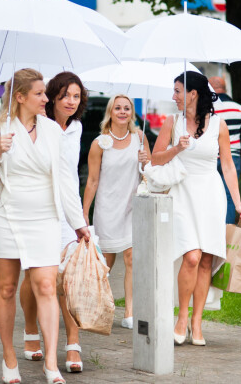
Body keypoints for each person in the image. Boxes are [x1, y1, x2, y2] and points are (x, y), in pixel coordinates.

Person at [0, 68, 90, 384]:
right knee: (6, 288)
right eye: (39, 94)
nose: (46, 99)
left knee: (47, 286)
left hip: (46, 216)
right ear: (19, 97)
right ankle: (9, 357)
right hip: (6, 215)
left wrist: (78, 223)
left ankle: (51, 363)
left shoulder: (52, 130)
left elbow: (64, 180)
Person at [152, 71, 241, 346]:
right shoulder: (172, 122)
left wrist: (238, 202)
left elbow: (228, 166)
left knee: (206, 259)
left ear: (193, 93)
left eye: (178, 91)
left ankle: (197, 322)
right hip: (182, 192)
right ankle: (181, 317)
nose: (174, 97)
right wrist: (175, 149)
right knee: (192, 257)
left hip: (210, 193)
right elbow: (154, 159)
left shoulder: (219, 124)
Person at [19, 72, 87, 373]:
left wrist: (80, 219)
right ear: (53, 97)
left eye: (76, 96)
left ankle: (73, 342)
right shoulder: (37, 127)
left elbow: (70, 177)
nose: (71, 101)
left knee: (69, 280)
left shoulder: (78, 128)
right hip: (40, 210)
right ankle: (31, 331)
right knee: (35, 279)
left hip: (69, 213)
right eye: (65, 96)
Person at [82, 94, 151, 332]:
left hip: (132, 206)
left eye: (127, 108)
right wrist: (84, 214)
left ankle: (130, 312)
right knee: (105, 263)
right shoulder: (99, 143)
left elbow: (149, 172)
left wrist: (146, 160)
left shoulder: (139, 138)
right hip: (107, 208)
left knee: (132, 258)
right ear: (110, 112)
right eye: (118, 108)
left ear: (132, 113)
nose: (122, 112)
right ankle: (95, 306)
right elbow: (92, 181)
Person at [208, 76, 241, 223]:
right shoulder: (239, 108)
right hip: (232, 157)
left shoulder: (207, 109)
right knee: (229, 195)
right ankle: (227, 231)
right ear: (225, 88)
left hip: (210, 156)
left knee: (210, 194)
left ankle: (212, 229)